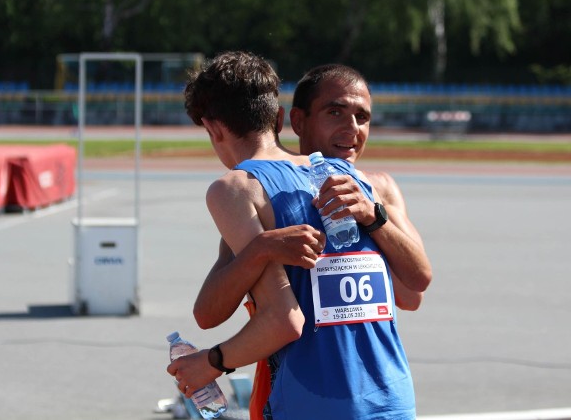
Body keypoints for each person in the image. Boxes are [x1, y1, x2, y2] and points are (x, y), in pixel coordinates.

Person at [167, 50, 431, 419]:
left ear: (212, 128)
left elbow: (281, 321)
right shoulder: (357, 180)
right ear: (281, 119)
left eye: (362, 117)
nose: (351, 128)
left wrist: (211, 362)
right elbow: (412, 290)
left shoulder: (240, 189)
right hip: (393, 399)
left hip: (311, 401)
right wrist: (260, 250)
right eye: (335, 112)